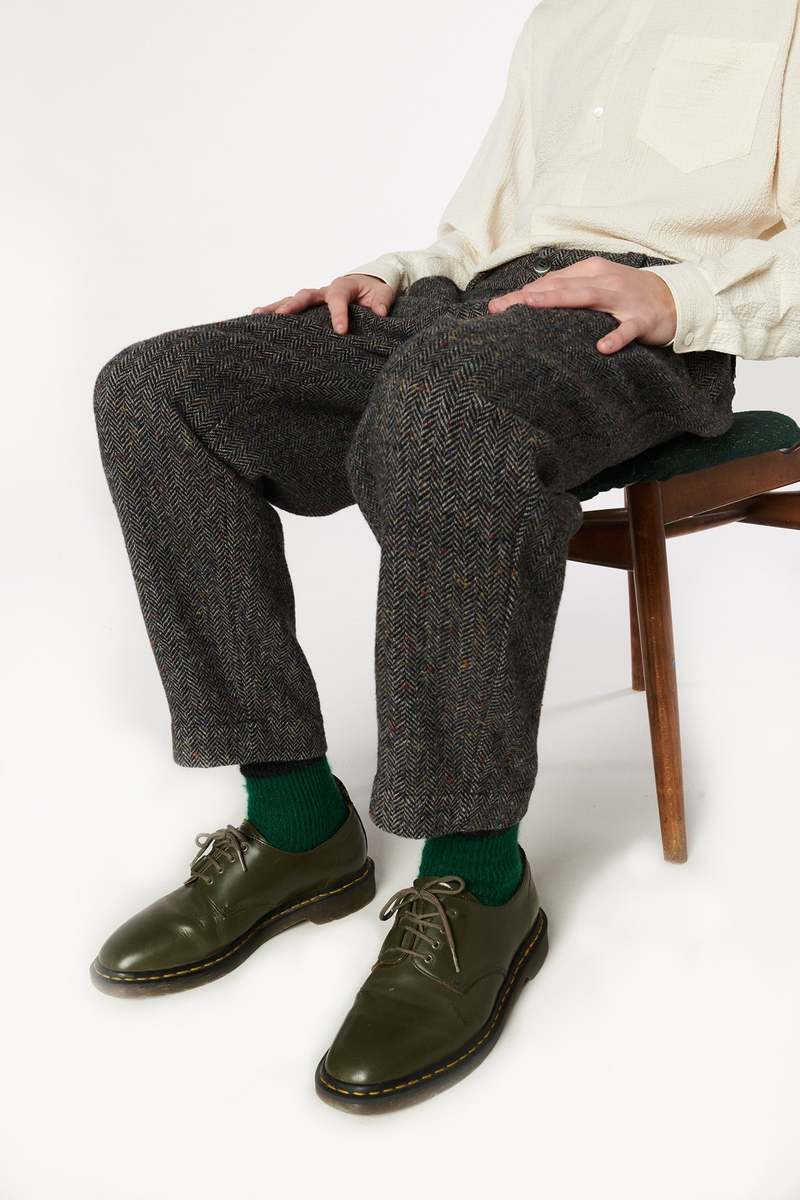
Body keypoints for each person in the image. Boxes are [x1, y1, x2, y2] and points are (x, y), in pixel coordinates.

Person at [90, 1, 800, 1111]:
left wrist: (681, 294)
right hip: (466, 311)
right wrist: (396, 271)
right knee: (159, 390)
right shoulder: (568, 16)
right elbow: (488, 226)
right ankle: (295, 823)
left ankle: (479, 879)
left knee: (445, 414)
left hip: (638, 330)